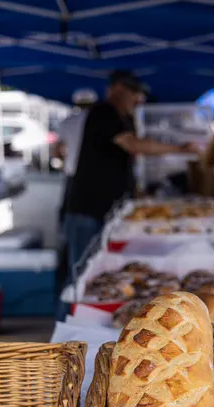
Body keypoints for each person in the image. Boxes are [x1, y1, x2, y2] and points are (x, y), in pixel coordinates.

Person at [64, 70, 199, 276]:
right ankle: (67, 310)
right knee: (81, 276)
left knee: (94, 275)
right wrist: (180, 149)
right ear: (117, 89)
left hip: (103, 211)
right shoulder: (104, 112)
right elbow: (133, 144)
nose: (139, 98)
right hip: (88, 211)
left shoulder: (121, 118)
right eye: (134, 92)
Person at [55, 89, 98, 224]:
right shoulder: (100, 122)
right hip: (95, 174)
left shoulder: (68, 122)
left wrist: (64, 162)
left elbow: (57, 150)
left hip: (73, 172)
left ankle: (67, 241)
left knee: (72, 213)